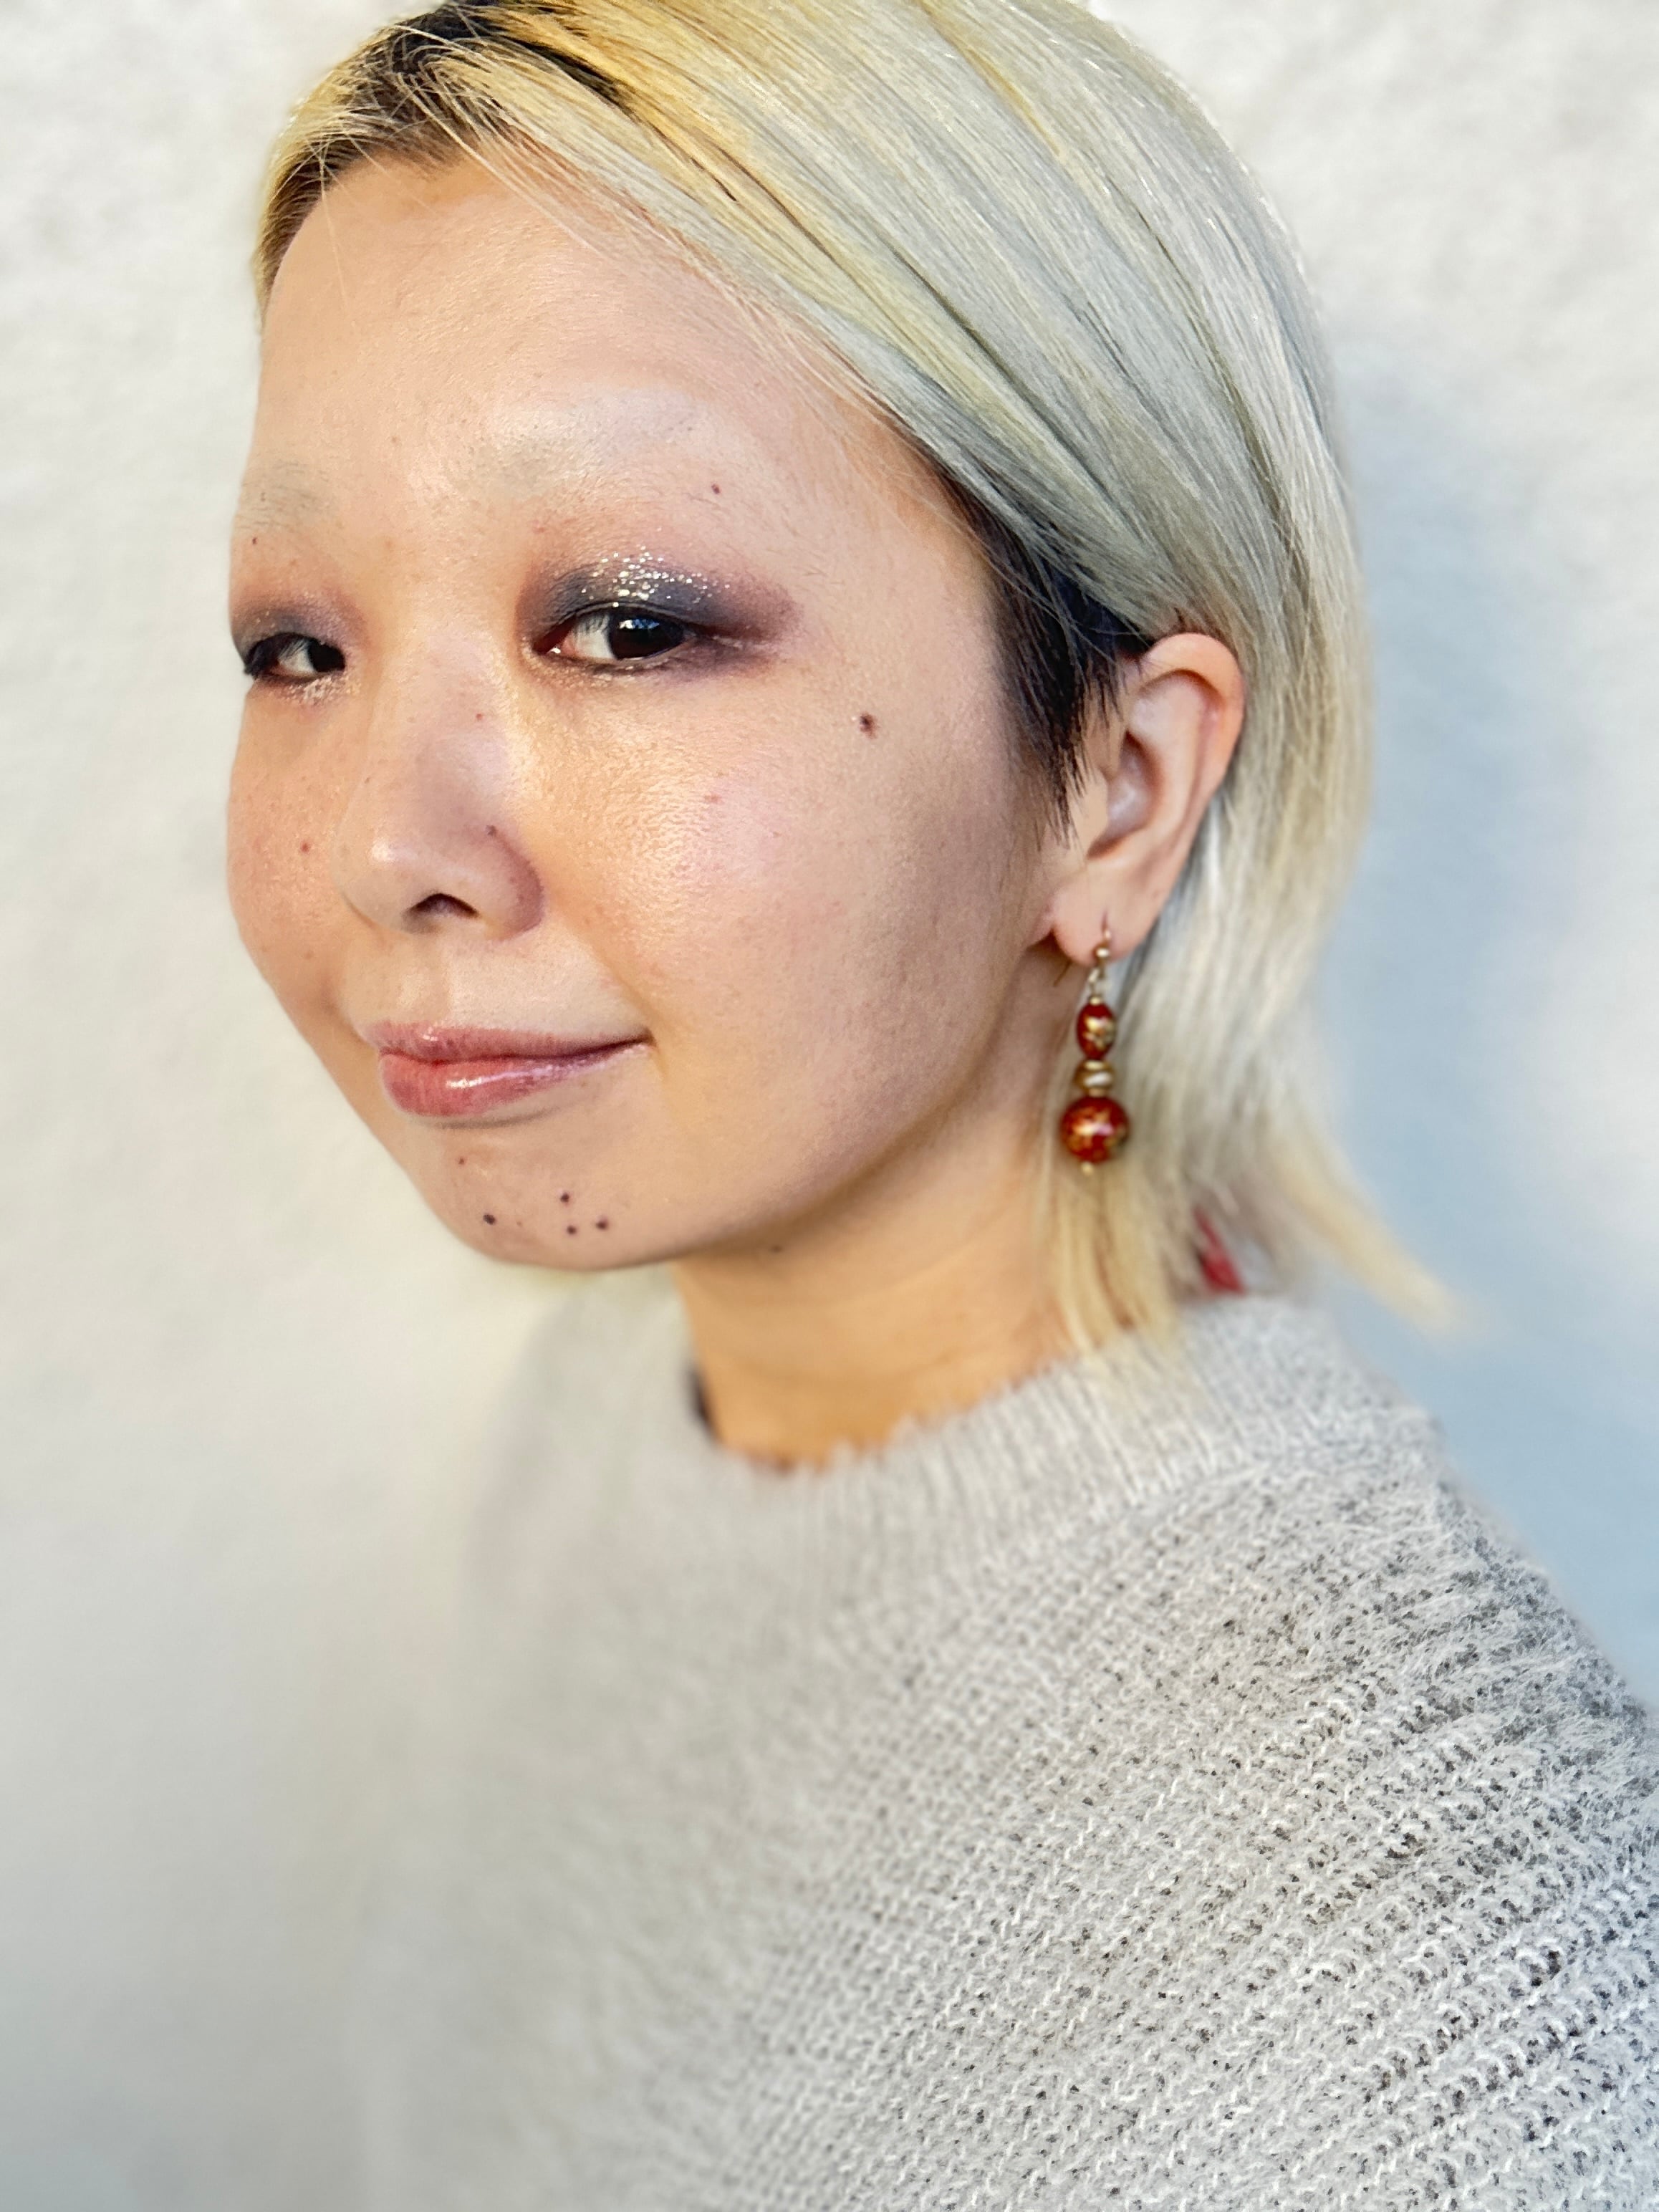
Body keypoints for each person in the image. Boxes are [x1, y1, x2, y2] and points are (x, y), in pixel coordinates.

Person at [227, 1, 1659, 2203]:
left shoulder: (1431, 1950)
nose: (381, 844)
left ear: (1117, 786)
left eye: (624, 625)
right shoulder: (599, 1429)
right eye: (297, 647)